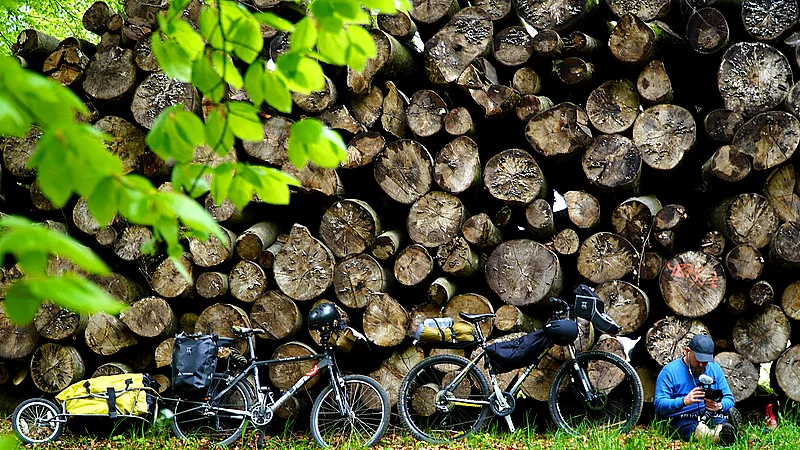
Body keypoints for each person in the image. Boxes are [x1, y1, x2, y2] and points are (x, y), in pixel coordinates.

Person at [654, 334, 743, 445]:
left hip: (711, 415)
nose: (701, 364)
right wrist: (684, 401)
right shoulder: (669, 372)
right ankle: (719, 437)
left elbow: (729, 399)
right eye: (698, 359)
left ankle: (725, 432)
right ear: (688, 351)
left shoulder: (714, 368)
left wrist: (719, 405)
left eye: (705, 361)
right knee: (700, 430)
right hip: (682, 417)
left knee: (722, 424)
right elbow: (659, 405)